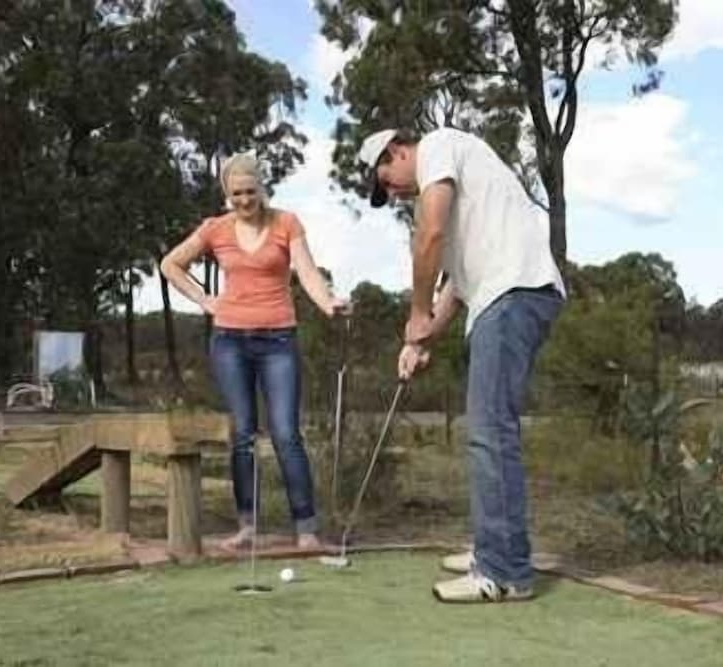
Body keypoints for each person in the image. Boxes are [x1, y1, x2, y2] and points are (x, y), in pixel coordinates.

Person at [356, 127, 566, 602]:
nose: (394, 193)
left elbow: (427, 236)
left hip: (513, 292)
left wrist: (416, 312)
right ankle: (495, 549)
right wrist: (423, 336)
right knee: (490, 430)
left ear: (396, 151)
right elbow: (456, 285)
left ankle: (503, 571)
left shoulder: (438, 146)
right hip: (506, 295)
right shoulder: (461, 207)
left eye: (387, 181)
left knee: (491, 432)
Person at [160, 152, 348, 551]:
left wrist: (327, 303)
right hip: (230, 341)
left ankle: (306, 530)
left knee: (285, 433)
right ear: (227, 195)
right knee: (243, 434)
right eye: (236, 194)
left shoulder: (287, 223)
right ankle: (247, 526)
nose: (244, 200)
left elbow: (307, 271)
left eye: (250, 191)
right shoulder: (215, 229)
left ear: (262, 188)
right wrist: (204, 299)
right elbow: (170, 264)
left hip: (278, 340)